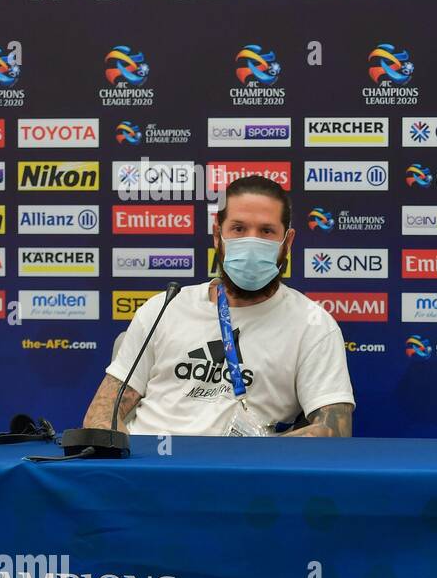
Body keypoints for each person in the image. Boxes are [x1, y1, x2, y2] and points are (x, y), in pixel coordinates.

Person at [82, 175, 355, 437]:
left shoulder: (313, 324)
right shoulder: (164, 308)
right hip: (148, 466)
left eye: (266, 231)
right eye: (238, 229)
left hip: (239, 474)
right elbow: (102, 413)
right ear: (217, 236)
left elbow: (334, 429)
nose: (251, 242)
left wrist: (256, 460)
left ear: (288, 242)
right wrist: (126, 462)